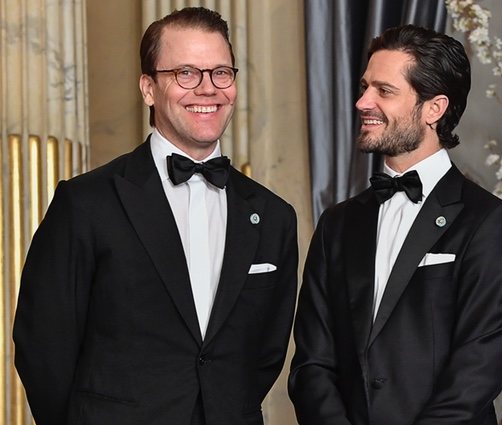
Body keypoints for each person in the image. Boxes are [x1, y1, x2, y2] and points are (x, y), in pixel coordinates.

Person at [13, 7, 298, 425]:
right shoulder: (86, 203)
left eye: (221, 72)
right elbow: (43, 346)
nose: (207, 89)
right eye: (186, 72)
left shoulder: (273, 215)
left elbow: (266, 351)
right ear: (148, 88)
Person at [288, 24, 502, 425]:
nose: (363, 101)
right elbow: (312, 361)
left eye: (384, 91)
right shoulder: (338, 223)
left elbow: (478, 367)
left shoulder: (490, 222)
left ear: (434, 108)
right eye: (365, 86)